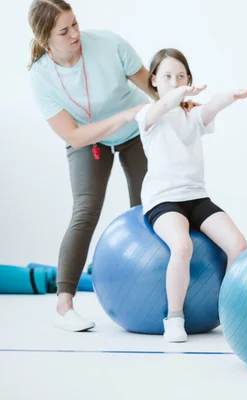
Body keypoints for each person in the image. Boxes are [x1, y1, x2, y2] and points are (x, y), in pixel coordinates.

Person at [28, 0, 157, 332]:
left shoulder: (109, 44)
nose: (75, 34)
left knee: (148, 208)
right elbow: (71, 134)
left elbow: (152, 90)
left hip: (134, 130)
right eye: (64, 30)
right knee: (85, 210)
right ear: (46, 39)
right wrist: (118, 119)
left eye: (75, 24)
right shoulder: (41, 77)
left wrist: (180, 101)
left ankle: (155, 293)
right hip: (89, 138)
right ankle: (64, 305)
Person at [135, 48, 247, 342]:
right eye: (168, 76)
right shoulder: (147, 116)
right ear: (154, 80)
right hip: (163, 200)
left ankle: (230, 310)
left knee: (238, 245)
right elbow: (163, 106)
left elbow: (210, 108)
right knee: (183, 246)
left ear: (189, 78)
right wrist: (179, 94)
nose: (175, 81)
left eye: (181, 76)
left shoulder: (192, 114)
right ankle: (174, 317)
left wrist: (231, 97)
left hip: (196, 197)